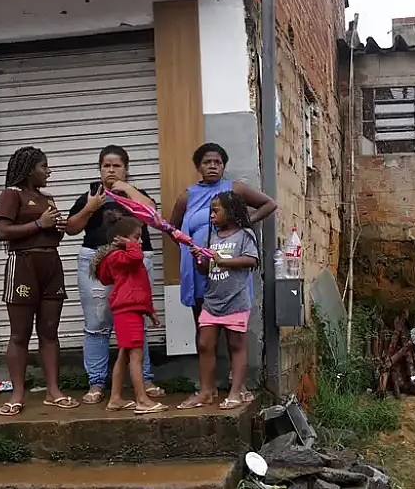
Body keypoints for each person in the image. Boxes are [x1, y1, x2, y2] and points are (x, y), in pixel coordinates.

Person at [65, 145, 165, 405]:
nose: (110, 170)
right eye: (106, 166)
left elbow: (154, 217)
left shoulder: (135, 193)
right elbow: (71, 229)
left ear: (126, 170)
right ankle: (97, 382)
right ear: (99, 169)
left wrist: (127, 190)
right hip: (99, 262)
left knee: (136, 318)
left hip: (135, 262)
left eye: (116, 166)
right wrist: (90, 207)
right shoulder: (90, 195)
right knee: (97, 324)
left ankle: (144, 378)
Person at [0, 146, 79, 416]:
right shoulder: (11, 195)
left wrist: (58, 229)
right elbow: (2, 231)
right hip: (23, 266)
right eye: (44, 167)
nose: (49, 171)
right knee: (20, 334)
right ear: (29, 169)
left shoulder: (47, 198)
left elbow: (51, 237)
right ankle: (17, 394)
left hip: (51, 265)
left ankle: (53, 391)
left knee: (50, 332)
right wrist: (39, 225)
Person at [169, 143, 275, 343]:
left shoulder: (235, 189)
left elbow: (269, 204)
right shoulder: (187, 196)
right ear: (198, 167)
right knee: (203, 329)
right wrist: (190, 250)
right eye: (207, 162)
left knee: (233, 330)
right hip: (200, 268)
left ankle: (234, 371)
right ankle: (206, 372)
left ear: (224, 166)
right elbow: (172, 228)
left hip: (228, 268)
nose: (212, 166)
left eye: (218, 162)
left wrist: (243, 224)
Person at [178, 192, 259, 410]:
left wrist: (223, 260)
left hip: (235, 300)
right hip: (212, 300)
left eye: (216, 210)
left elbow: (251, 260)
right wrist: (199, 258)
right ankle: (205, 392)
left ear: (231, 212)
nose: (211, 215)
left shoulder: (245, 234)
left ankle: (235, 392)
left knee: (236, 345)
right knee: (204, 344)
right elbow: (205, 269)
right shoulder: (212, 237)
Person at [91, 212, 168, 414]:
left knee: (125, 354)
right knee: (137, 356)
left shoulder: (127, 257)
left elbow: (140, 287)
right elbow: (136, 256)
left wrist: (150, 311)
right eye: (136, 237)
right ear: (122, 239)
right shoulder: (119, 257)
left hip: (132, 309)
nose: (140, 241)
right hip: (127, 311)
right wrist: (129, 245)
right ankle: (142, 399)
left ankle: (115, 399)